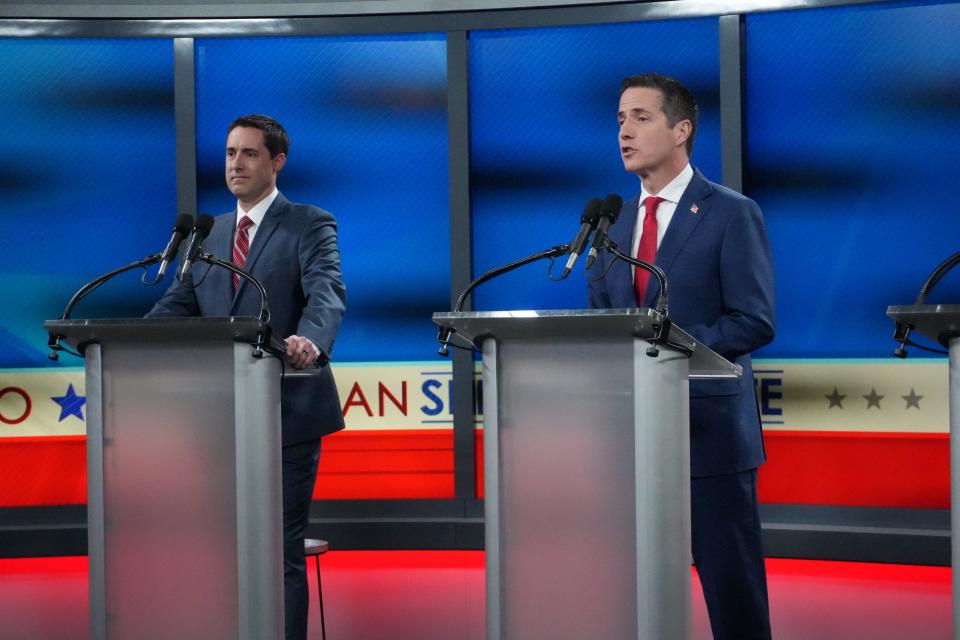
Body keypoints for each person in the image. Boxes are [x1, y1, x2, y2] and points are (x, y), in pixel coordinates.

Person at [587, 74, 775, 639]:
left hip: (708, 434)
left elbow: (753, 319)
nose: (625, 131)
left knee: (732, 592)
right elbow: (602, 320)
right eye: (620, 119)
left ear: (682, 129)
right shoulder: (611, 224)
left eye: (641, 118)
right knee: (633, 591)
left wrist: (667, 353)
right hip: (630, 439)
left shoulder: (729, 213)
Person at [148, 114, 346, 640]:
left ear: (277, 161)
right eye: (231, 153)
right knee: (221, 546)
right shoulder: (209, 233)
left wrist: (311, 341)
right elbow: (176, 306)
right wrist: (125, 344)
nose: (236, 164)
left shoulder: (309, 221)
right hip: (219, 417)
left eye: (250, 154)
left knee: (276, 546)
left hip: (286, 412)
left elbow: (327, 290)